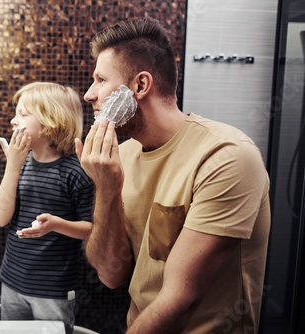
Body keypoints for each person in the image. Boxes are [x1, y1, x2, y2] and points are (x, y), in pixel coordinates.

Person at [74, 18, 270, 333]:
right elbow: (110, 274)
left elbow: (180, 299)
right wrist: (106, 189)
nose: (88, 94)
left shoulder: (227, 156)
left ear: (139, 85)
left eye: (100, 80)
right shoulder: (123, 157)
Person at [0, 82, 95, 334]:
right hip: (12, 282)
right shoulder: (21, 163)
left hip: (52, 290)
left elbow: (92, 228)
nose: (13, 121)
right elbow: (0, 218)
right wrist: (12, 166)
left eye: (23, 114)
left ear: (50, 123)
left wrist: (56, 225)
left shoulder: (77, 172)